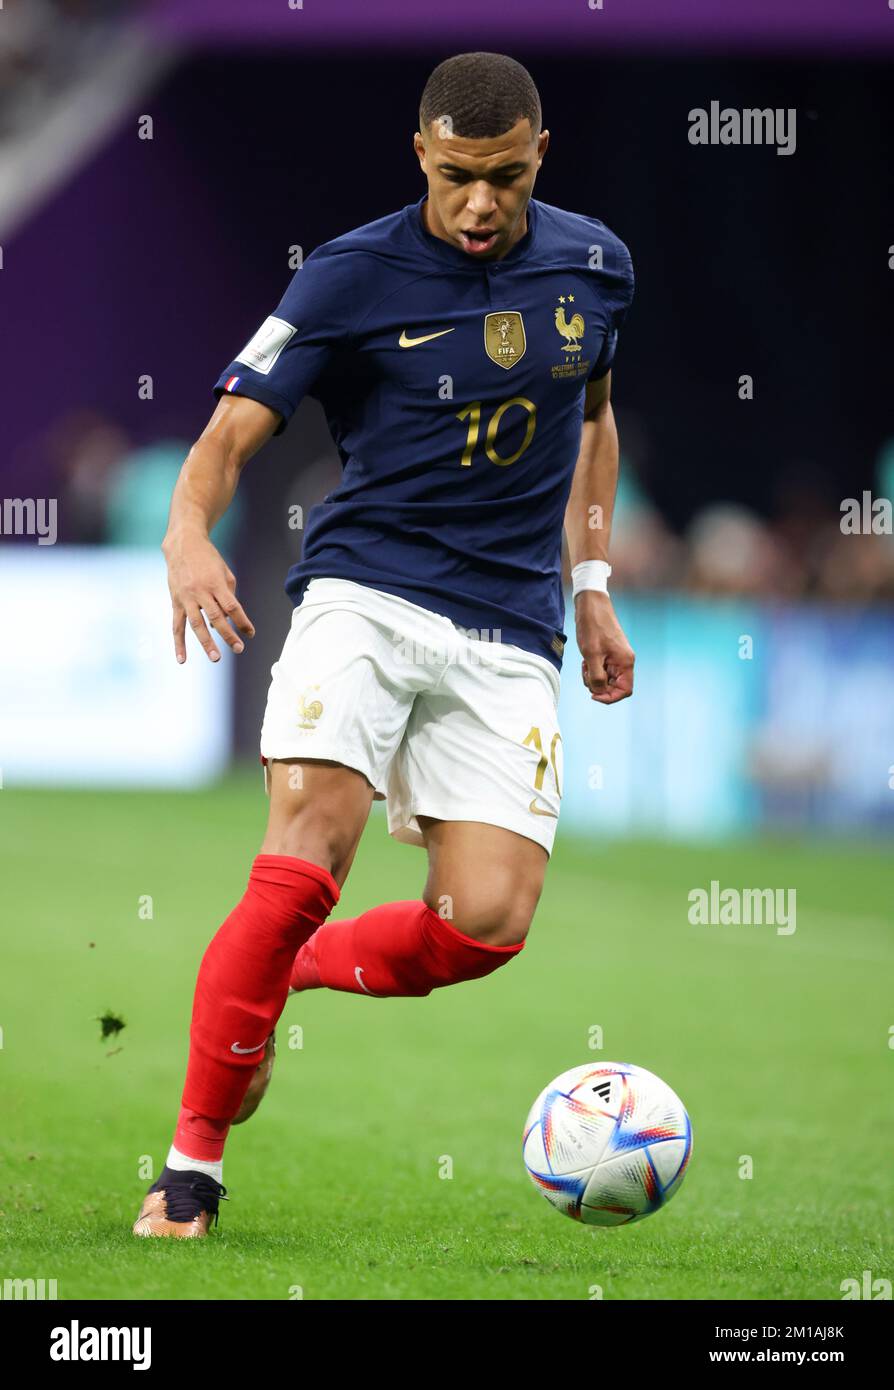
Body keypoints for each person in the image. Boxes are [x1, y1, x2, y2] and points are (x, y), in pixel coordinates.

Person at [134, 50, 636, 1238]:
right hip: (365, 596)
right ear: (422, 153)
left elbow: (596, 421)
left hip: (512, 624)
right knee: (308, 853)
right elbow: (228, 431)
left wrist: (597, 583)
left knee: (486, 925)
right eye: (459, 176)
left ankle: (284, 974)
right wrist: (185, 534)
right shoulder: (350, 276)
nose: (479, 204)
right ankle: (190, 1172)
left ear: (539, 158)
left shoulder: (598, 264)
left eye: (505, 178)